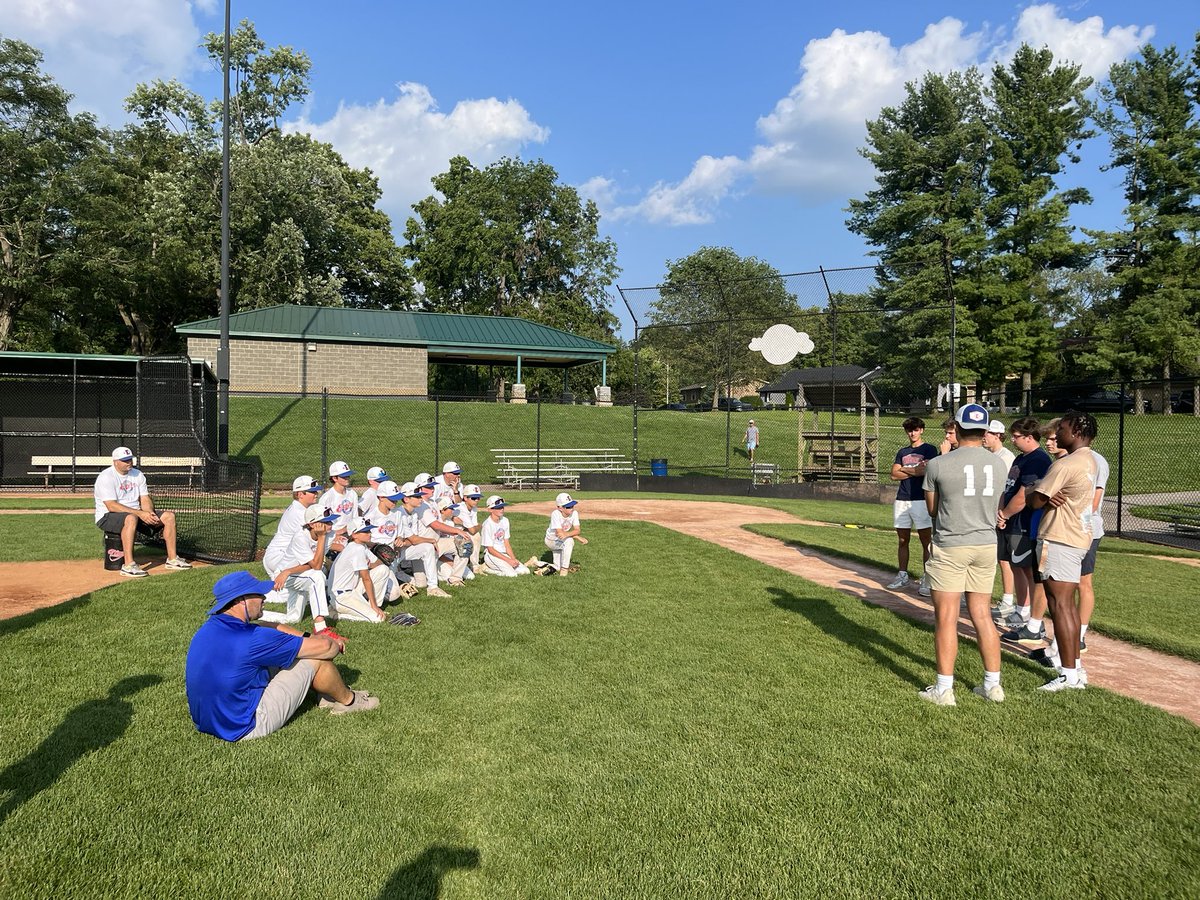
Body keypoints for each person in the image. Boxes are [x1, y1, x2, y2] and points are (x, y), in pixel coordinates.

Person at [185, 570, 378, 742]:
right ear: (240, 600)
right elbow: (327, 648)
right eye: (258, 593)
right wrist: (331, 641)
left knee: (299, 649)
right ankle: (349, 701)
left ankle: (326, 695)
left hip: (207, 720)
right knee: (315, 658)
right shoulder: (254, 639)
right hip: (246, 724)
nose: (264, 598)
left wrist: (308, 637)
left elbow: (266, 627)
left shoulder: (207, 629)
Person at [918, 403, 1006, 705]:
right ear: (984, 431)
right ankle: (993, 685)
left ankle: (944, 689)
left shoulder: (938, 464)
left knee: (946, 618)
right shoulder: (999, 464)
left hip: (951, 543)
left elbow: (932, 509)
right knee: (982, 614)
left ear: (957, 427)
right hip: (986, 543)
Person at [1028, 411, 1099, 691]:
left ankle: (1068, 675)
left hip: (1058, 538)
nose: (1057, 434)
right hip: (1077, 537)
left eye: (1063, 429)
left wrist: (1037, 490)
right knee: (1067, 605)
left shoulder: (1066, 463)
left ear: (1077, 432)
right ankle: (1075, 669)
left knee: (1059, 606)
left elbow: (1035, 501)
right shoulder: (1090, 460)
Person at [993, 417, 1053, 645]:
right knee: (1017, 566)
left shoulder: (1038, 460)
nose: (1013, 440)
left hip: (1024, 521)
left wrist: (1005, 514)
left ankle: (1031, 619)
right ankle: (1021, 610)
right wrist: (1001, 512)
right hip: (1011, 520)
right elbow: (1007, 488)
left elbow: (1023, 495)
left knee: (1028, 570)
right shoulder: (1021, 458)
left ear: (1029, 437)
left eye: (1016, 436)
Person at [93, 445, 190, 576]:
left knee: (169, 516)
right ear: (115, 462)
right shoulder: (106, 477)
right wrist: (140, 513)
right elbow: (111, 506)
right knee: (131, 518)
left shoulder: (137, 474)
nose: (129, 462)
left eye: (130, 459)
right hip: (107, 516)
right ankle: (128, 565)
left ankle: (172, 559)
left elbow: (144, 498)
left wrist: (149, 513)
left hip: (135, 513)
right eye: (125, 460)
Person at [259, 503, 344, 641]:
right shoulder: (301, 537)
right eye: (326, 522)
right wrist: (286, 572)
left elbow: (315, 564)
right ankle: (320, 627)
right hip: (285, 577)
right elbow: (316, 567)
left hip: (295, 573)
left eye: (330, 521)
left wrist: (288, 570)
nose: (331, 524)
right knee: (317, 576)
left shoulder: (329, 534)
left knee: (293, 619)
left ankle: (259, 615)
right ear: (312, 524)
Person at [888, 417, 938, 595]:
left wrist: (904, 469)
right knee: (903, 540)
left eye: (915, 430)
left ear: (921, 430)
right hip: (902, 499)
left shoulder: (929, 449)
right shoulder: (902, 452)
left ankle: (927, 578)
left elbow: (926, 471)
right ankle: (902, 575)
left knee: (926, 541)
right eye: (909, 430)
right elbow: (893, 475)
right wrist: (914, 470)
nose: (912, 433)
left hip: (921, 499)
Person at [327, 517, 403, 623]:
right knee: (378, 619)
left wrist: (370, 562)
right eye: (365, 531)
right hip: (341, 597)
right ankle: (335, 615)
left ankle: (374, 607)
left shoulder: (361, 546)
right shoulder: (356, 549)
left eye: (369, 530)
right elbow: (366, 579)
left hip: (352, 590)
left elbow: (378, 563)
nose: (369, 533)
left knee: (383, 569)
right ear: (354, 534)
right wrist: (373, 605)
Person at [395, 481, 452, 598]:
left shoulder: (414, 513)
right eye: (416, 497)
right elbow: (414, 540)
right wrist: (432, 540)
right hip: (392, 552)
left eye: (420, 496)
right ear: (406, 499)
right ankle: (398, 575)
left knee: (427, 548)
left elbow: (412, 540)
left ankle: (433, 588)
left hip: (404, 548)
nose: (420, 499)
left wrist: (408, 541)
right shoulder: (400, 514)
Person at [983, 422, 1017, 609]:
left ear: (998, 436)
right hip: (987, 511)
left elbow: (1006, 488)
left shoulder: (1006, 457)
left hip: (999, 512)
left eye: (988, 433)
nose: (984, 437)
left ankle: (1008, 600)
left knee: (1004, 559)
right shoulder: (988, 456)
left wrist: (1002, 513)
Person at [262, 475, 323, 578]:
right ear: (300, 494)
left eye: (316, 491)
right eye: (312, 492)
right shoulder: (300, 514)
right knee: (316, 571)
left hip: (278, 556)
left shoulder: (300, 509)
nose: (316, 494)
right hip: (280, 557)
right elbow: (318, 537)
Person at [481, 496, 531, 576]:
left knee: (525, 571)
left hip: (504, 554)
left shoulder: (505, 520)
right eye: (498, 508)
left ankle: (500, 566)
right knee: (512, 575)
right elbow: (490, 549)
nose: (501, 509)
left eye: (502, 507)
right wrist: (508, 560)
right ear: (490, 509)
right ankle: (487, 569)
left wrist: (513, 559)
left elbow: (506, 543)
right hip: (492, 555)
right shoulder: (487, 525)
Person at [544, 492, 588, 576]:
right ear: (560, 508)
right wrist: (576, 537)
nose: (571, 508)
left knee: (557, 567)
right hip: (552, 540)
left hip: (561, 540)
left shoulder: (574, 513)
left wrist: (573, 535)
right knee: (569, 541)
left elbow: (577, 530)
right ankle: (564, 569)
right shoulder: (555, 514)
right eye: (568, 507)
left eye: (572, 506)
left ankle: (535, 562)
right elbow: (559, 533)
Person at [319, 460, 359, 554]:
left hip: (351, 532)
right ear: (334, 478)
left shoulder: (352, 494)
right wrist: (334, 535)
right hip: (333, 533)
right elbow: (321, 522)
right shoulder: (327, 498)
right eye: (344, 476)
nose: (347, 478)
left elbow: (355, 517)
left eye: (348, 475)